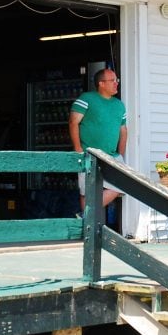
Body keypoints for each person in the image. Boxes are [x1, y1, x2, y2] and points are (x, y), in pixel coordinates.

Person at [68, 68, 127, 222]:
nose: (116, 83)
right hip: (88, 154)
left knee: (121, 186)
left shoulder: (119, 105)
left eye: (117, 80)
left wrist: (120, 154)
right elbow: (73, 122)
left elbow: (123, 131)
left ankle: (84, 216)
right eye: (112, 80)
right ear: (101, 83)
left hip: (112, 156)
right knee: (86, 192)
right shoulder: (86, 99)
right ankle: (87, 228)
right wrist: (78, 149)